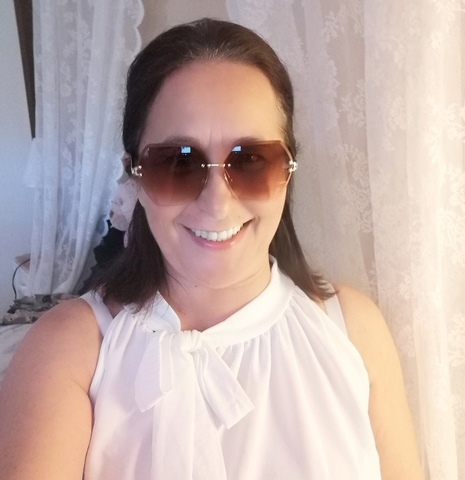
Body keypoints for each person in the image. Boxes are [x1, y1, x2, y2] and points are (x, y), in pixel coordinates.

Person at [0, 18, 422, 480]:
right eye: (177, 164)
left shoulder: (354, 331)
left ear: (288, 170)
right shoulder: (69, 347)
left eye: (251, 160)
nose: (217, 203)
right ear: (135, 176)